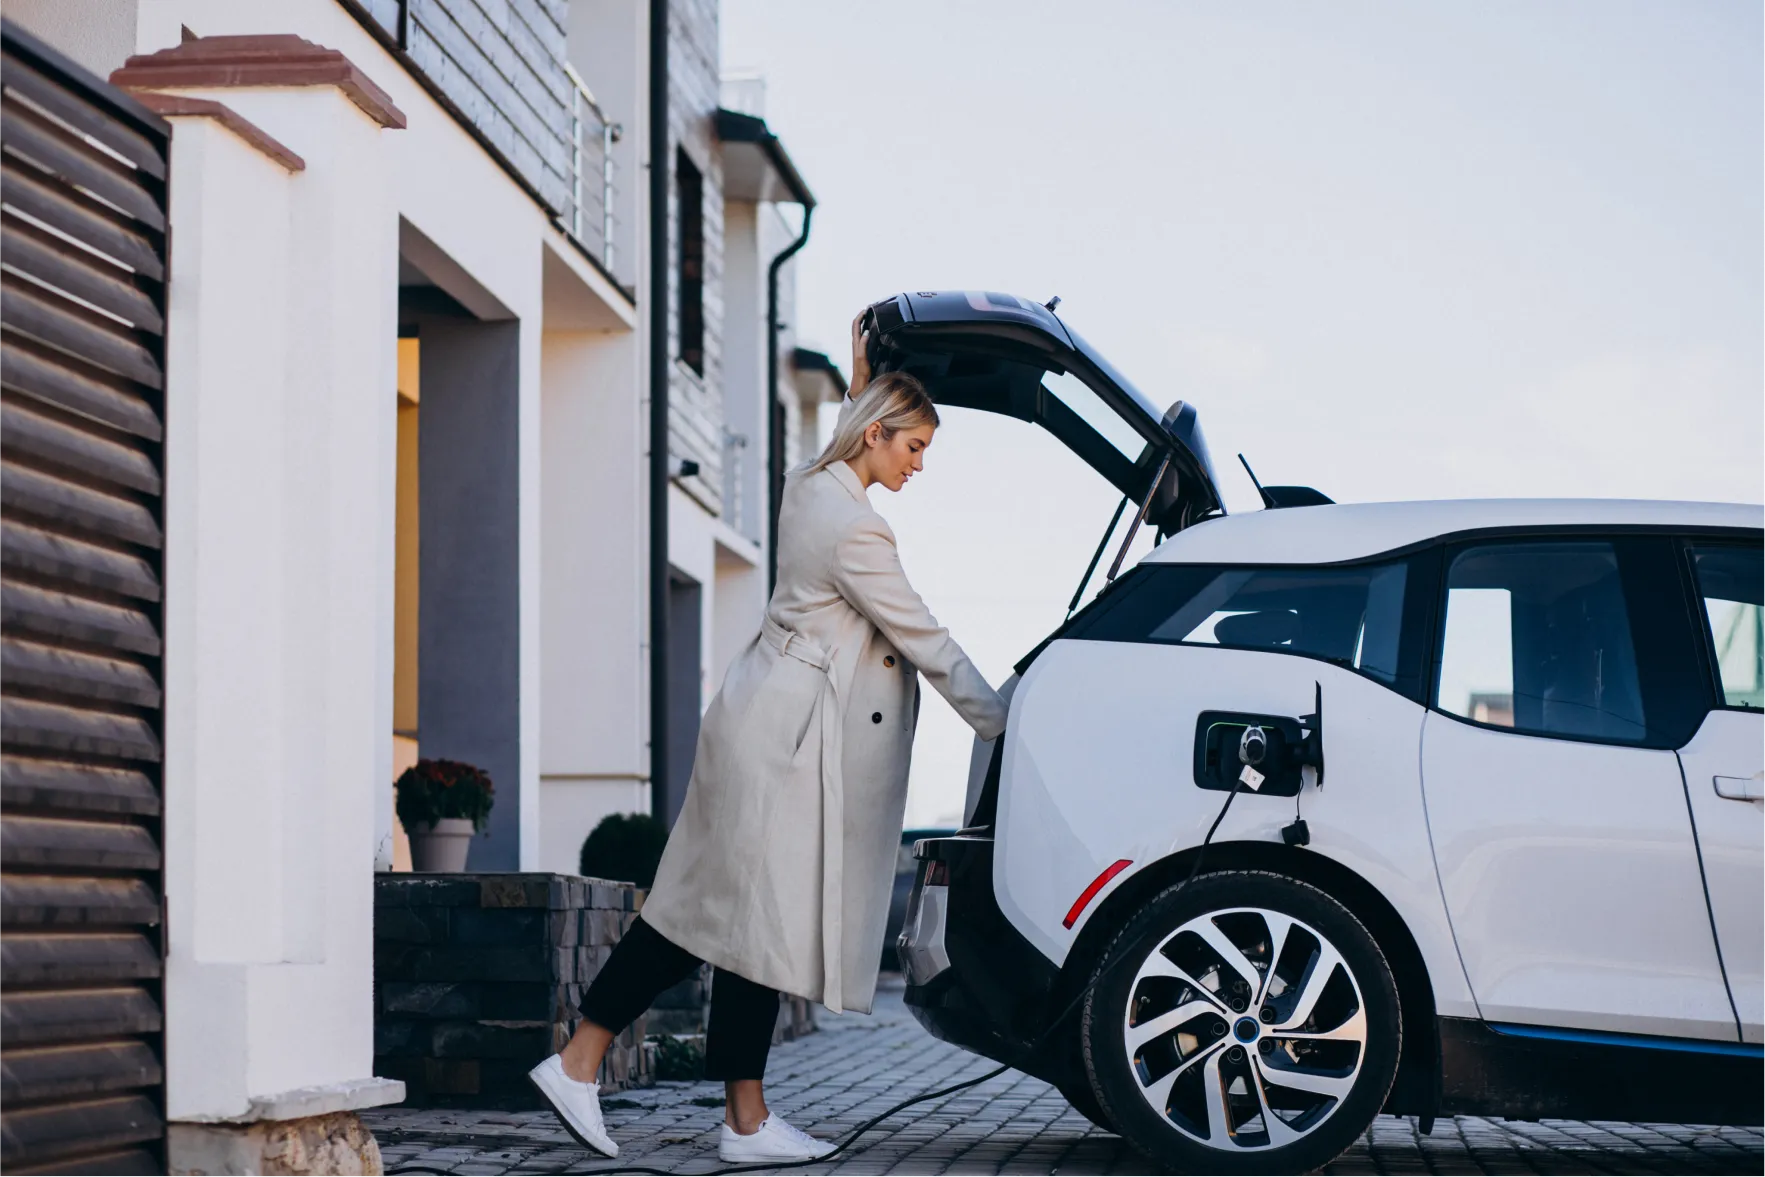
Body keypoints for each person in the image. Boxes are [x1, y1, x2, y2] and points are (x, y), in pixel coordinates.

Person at [528, 313, 1008, 1163]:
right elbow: (922, 635)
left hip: (771, 723)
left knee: (755, 927)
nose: (919, 463)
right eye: (915, 445)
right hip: (783, 741)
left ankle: (745, 1120)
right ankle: (578, 1061)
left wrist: (863, 382)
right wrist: (1008, 726)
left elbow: (848, 446)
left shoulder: (811, 484)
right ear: (878, 435)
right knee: (697, 918)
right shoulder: (856, 527)